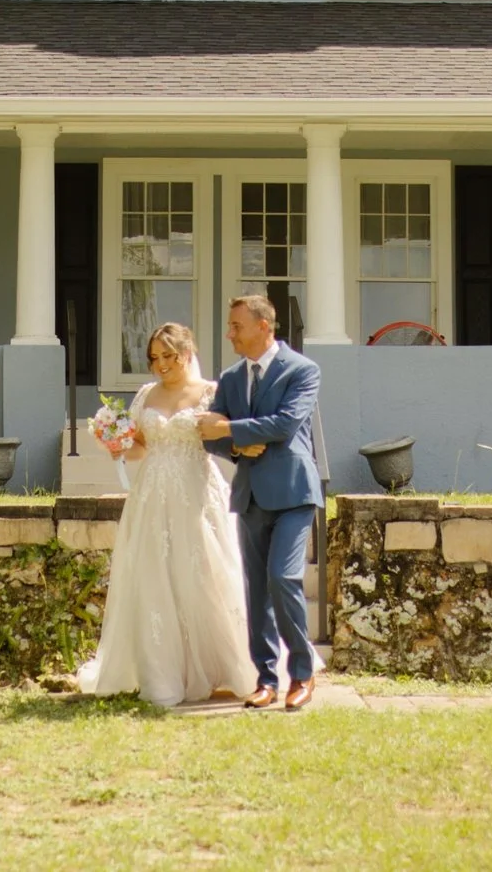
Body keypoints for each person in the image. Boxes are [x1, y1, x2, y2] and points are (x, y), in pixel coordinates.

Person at [76, 322, 259, 706]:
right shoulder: (145, 394)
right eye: (154, 358)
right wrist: (118, 444)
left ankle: (226, 666)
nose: (160, 364)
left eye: (168, 356)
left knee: (205, 573)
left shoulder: (211, 391)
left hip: (196, 492)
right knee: (154, 575)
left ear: (186, 353)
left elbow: (229, 438)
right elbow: (141, 447)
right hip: (151, 494)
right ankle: (162, 672)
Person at [198, 294, 323, 710]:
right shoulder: (231, 378)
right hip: (250, 495)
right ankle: (266, 678)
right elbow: (209, 436)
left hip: (292, 492)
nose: (229, 333)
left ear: (264, 326)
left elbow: (285, 424)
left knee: (283, 578)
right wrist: (237, 449)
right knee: (257, 591)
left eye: (236, 326)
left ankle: (302, 675)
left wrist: (232, 429)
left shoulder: (302, 370)